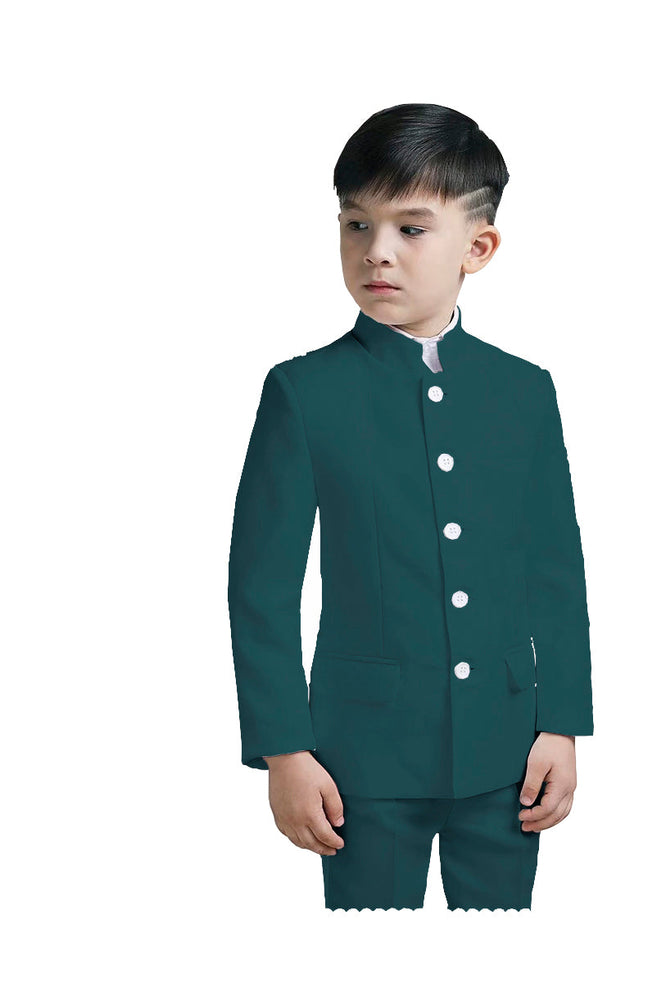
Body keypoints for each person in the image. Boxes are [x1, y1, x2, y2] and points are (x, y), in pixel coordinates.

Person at [227, 102, 594, 911]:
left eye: (411, 228)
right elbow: (261, 589)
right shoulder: (303, 392)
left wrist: (562, 722)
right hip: (358, 759)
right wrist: (285, 750)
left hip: (507, 752)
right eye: (356, 225)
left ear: (478, 247)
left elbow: (554, 572)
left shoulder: (523, 392)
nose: (377, 251)